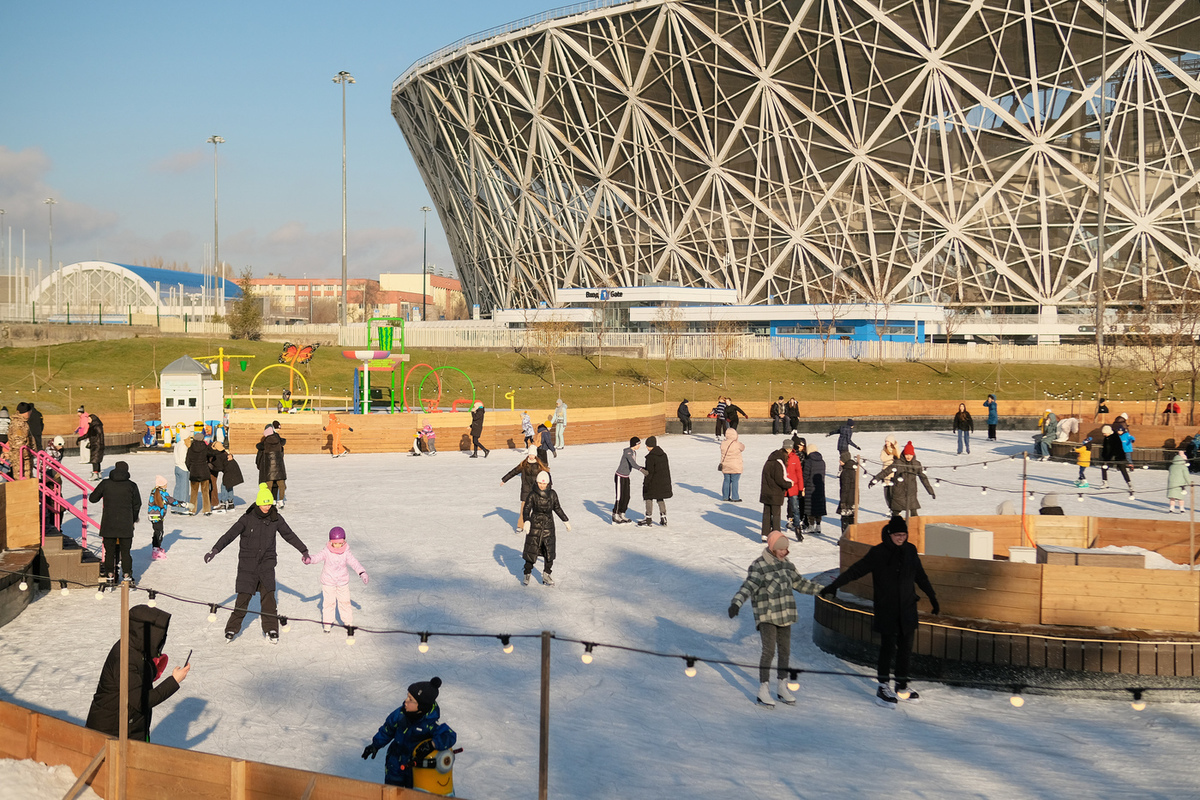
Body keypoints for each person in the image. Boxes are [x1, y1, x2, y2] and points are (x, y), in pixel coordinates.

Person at [819, 515, 939, 706]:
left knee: (906, 649)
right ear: (890, 534)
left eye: (904, 534)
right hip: (887, 609)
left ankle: (902, 685)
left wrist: (932, 596)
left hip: (908, 608)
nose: (901, 538)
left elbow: (920, 576)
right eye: (898, 535)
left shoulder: (910, 550)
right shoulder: (879, 553)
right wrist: (835, 585)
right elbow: (856, 570)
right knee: (888, 648)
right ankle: (883, 686)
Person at [203, 483, 310, 643]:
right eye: (264, 503)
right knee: (242, 599)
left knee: (269, 599)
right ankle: (231, 629)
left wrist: (303, 550)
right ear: (258, 502)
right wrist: (215, 550)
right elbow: (230, 535)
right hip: (248, 566)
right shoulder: (247, 519)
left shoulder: (276, 519)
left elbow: (289, 535)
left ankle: (271, 628)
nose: (267, 506)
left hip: (266, 565)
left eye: (269, 503)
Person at [728, 530, 822, 707]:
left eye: (786, 549)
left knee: (785, 651)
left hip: (785, 614)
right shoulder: (760, 566)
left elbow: (801, 583)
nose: (784, 552)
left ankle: (781, 686)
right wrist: (736, 603)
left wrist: (822, 590)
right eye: (781, 549)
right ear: (772, 548)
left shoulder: (787, 565)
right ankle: (763, 689)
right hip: (767, 615)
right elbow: (748, 587)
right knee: (769, 651)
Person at [85, 604, 190, 741]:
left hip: (130, 726)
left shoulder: (136, 647)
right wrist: (174, 681)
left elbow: (135, 679)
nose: (162, 638)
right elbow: (142, 701)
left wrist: (153, 668)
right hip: (111, 733)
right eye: (159, 634)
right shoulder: (124, 659)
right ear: (146, 632)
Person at [363, 677, 457, 789]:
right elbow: (387, 730)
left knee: (411, 794)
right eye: (407, 696)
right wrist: (375, 745)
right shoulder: (400, 714)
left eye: (411, 700)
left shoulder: (429, 723)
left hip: (415, 769)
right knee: (392, 792)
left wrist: (432, 744)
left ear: (421, 707)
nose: (405, 701)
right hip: (395, 764)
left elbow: (449, 735)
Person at [88, 460, 141, 585]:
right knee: (126, 552)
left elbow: (92, 499)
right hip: (125, 525)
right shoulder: (132, 485)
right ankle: (127, 575)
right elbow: (137, 505)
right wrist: (132, 519)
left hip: (108, 524)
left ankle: (110, 574)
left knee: (109, 552)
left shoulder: (105, 483)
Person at [307, 526, 368, 631]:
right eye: (335, 543)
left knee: (345, 602)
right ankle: (327, 624)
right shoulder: (327, 551)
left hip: (342, 582)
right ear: (331, 542)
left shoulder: (346, 552)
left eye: (340, 543)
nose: (338, 545)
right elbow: (317, 557)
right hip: (328, 582)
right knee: (329, 603)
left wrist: (362, 572)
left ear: (344, 541)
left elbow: (354, 562)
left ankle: (348, 622)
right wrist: (309, 559)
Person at [520, 471, 570, 585]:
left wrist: (565, 520)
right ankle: (527, 573)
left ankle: (547, 575)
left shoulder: (552, 494)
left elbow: (557, 508)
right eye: (540, 483)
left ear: (548, 483)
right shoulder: (532, 494)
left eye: (544, 483)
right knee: (531, 551)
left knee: (549, 552)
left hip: (548, 526)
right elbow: (526, 509)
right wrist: (527, 520)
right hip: (535, 526)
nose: (542, 485)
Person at [871, 441, 935, 518]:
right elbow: (886, 472)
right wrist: (875, 480)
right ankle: (895, 528)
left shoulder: (916, 464)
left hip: (911, 492)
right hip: (898, 491)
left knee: (914, 513)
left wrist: (930, 491)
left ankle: (914, 529)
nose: (909, 456)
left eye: (910, 455)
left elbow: (923, 478)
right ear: (904, 454)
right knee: (896, 513)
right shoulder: (898, 463)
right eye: (907, 454)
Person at [502, 446, 551, 533]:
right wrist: (504, 479)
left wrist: (549, 487)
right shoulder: (524, 464)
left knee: (538, 509)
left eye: (532, 454)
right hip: (526, 490)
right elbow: (514, 472)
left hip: (537, 490)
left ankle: (539, 525)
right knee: (524, 508)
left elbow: (547, 475)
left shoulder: (539, 465)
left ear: (535, 455)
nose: (531, 456)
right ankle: (521, 525)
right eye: (530, 454)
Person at [759, 440, 792, 543]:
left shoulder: (768, 462)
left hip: (766, 492)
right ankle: (776, 534)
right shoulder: (778, 464)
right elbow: (779, 480)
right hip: (775, 494)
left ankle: (765, 534)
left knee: (766, 514)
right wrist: (789, 484)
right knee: (776, 515)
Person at [638, 436, 672, 527]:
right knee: (660, 498)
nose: (646, 447)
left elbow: (650, 472)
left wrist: (646, 482)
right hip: (663, 481)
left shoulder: (651, 457)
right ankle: (663, 517)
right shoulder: (663, 454)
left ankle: (648, 518)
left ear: (650, 445)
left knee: (648, 497)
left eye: (647, 446)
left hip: (653, 481)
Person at [147, 476, 184, 560]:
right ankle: (156, 550)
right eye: (165, 484)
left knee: (157, 532)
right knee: (159, 533)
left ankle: (156, 547)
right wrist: (183, 504)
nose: (166, 485)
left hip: (153, 516)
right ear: (161, 485)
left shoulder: (154, 491)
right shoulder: (163, 493)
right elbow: (172, 501)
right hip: (158, 516)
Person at [612, 436, 646, 524]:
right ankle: (615, 514)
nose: (639, 445)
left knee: (627, 496)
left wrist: (642, 468)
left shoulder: (634, 452)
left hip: (626, 476)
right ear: (635, 444)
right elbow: (633, 464)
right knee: (619, 497)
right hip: (620, 476)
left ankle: (622, 513)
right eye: (639, 444)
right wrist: (642, 469)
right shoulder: (628, 452)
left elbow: (633, 464)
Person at [256, 424, 288, 507]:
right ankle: (280, 500)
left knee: (268, 485)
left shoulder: (265, 443)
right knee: (281, 484)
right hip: (279, 466)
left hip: (269, 467)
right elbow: (282, 452)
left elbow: (259, 447)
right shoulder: (279, 441)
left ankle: (271, 500)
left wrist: (258, 464)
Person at [801, 442, 827, 536]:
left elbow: (805, 475)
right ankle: (818, 525)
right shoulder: (822, 461)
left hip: (809, 487)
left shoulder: (808, 461)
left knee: (810, 507)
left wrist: (802, 486)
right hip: (820, 487)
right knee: (819, 507)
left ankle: (811, 526)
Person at [185, 431, 214, 515]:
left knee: (193, 493)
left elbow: (187, 461)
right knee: (205, 492)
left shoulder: (190, 448)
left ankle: (192, 510)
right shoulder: (205, 447)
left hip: (194, 471)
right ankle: (207, 509)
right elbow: (211, 454)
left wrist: (191, 468)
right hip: (204, 471)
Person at [1099, 424, 1132, 491]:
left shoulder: (1115, 437)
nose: (1104, 434)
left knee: (1123, 470)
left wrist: (1112, 457)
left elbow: (1116, 449)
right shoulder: (1106, 438)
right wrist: (1104, 457)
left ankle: (1129, 484)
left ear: (1108, 432)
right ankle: (1105, 482)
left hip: (1118, 456)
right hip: (1109, 457)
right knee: (1103, 468)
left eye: (1104, 433)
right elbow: (1105, 448)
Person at [718, 427, 745, 502]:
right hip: (735, 466)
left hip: (725, 465)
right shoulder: (737, 444)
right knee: (734, 481)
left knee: (726, 480)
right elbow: (743, 448)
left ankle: (725, 497)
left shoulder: (723, 443)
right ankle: (735, 497)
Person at [214, 441, 242, 511]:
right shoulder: (224, 452)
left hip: (229, 470)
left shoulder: (219, 454)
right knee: (229, 485)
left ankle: (223, 503)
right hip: (233, 469)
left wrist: (212, 467)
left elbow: (219, 467)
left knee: (224, 486)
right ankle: (230, 503)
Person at [8, 403, 31, 479]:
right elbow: (18, 442)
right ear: (26, 412)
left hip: (22, 456)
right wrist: (27, 453)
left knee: (26, 479)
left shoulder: (21, 422)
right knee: (21, 479)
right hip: (20, 457)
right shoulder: (18, 424)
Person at [836, 450, 857, 531]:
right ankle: (852, 538)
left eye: (841, 459)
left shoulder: (846, 472)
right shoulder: (853, 469)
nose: (839, 461)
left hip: (847, 500)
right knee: (851, 519)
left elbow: (845, 488)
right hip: (853, 499)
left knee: (845, 519)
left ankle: (845, 538)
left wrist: (843, 502)